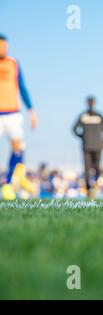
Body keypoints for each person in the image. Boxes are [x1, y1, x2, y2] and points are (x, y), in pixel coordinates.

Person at [0, 34, 38, 200]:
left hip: (13, 113)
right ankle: (17, 177)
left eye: (5, 46)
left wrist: (31, 109)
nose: (3, 48)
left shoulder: (13, 63)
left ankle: (8, 184)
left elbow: (22, 86)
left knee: (18, 148)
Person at [73, 96, 103, 198]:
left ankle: (93, 188)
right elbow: (74, 129)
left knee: (94, 167)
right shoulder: (86, 116)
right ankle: (89, 190)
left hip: (94, 146)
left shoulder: (96, 116)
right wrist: (83, 137)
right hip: (89, 146)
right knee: (89, 168)